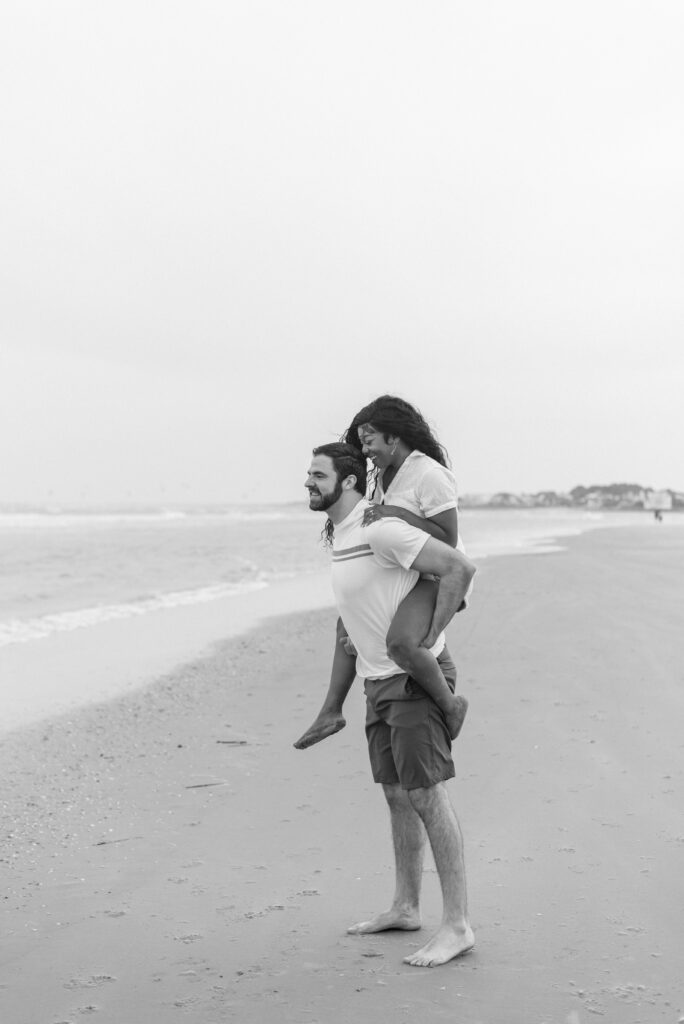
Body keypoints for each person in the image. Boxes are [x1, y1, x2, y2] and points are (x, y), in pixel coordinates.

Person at [295, 442, 476, 968]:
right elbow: (351, 622)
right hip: (380, 683)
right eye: (307, 473)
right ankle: (405, 906)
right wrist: (336, 701)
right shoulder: (346, 537)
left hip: (413, 681)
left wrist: (428, 639)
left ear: (348, 481)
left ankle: (458, 925)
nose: (307, 482)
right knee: (398, 795)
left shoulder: (380, 530)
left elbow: (458, 567)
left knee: (427, 796)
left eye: (317, 474)